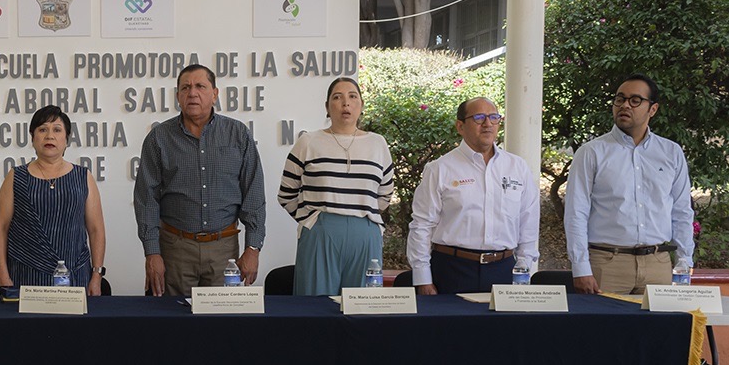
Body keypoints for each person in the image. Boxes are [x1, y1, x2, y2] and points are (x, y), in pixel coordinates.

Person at [134, 63, 266, 296]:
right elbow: (147, 199)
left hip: (224, 250)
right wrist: (151, 252)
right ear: (177, 96)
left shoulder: (238, 134)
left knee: (222, 325)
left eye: (200, 86)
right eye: (185, 88)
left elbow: (253, 193)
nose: (192, 93)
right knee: (174, 324)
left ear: (214, 94)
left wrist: (253, 248)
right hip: (175, 249)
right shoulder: (159, 138)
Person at [565, 75, 694, 294]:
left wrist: (684, 260)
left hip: (658, 264)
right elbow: (576, 213)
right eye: (620, 99)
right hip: (606, 264)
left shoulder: (671, 152)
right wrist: (580, 268)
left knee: (657, 329)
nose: (625, 105)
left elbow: (681, 211)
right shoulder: (592, 152)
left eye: (635, 100)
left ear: (652, 109)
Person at [407, 96, 539, 294]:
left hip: (504, 271)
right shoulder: (440, 169)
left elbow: (528, 222)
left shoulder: (517, 167)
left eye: (494, 117)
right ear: (460, 126)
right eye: (479, 118)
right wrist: (422, 278)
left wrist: (523, 270)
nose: (487, 124)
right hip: (452, 269)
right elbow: (422, 225)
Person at [278, 77, 394, 295]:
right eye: (337, 97)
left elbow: (385, 194)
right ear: (327, 107)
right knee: (315, 309)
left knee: (362, 307)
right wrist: (311, 220)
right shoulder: (308, 142)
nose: (345, 103)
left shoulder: (378, 144)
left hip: (365, 234)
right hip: (320, 233)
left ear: (361, 105)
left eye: (352, 97)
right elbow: (286, 194)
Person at [0, 105, 106, 295]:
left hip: (75, 276)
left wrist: (97, 275)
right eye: (42, 129)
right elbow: (0, 228)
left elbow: (96, 230)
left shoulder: (83, 176)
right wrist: (2, 273)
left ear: (67, 139)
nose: (49, 136)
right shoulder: (16, 176)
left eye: (57, 130)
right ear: (32, 137)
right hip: (26, 275)